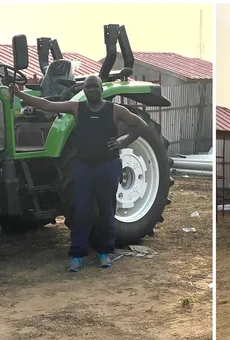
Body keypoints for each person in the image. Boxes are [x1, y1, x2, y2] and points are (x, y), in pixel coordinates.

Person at [12, 76, 149, 272]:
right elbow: (47, 105)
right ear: (83, 90)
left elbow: (140, 125)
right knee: (81, 211)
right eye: (88, 87)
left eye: (95, 86)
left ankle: (104, 253)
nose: (91, 90)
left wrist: (123, 142)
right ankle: (77, 255)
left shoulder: (115, 110)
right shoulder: (77, 108)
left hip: (107, 166)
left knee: (106, 211)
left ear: (102, 88)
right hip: (84, 167)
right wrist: (19, 94)